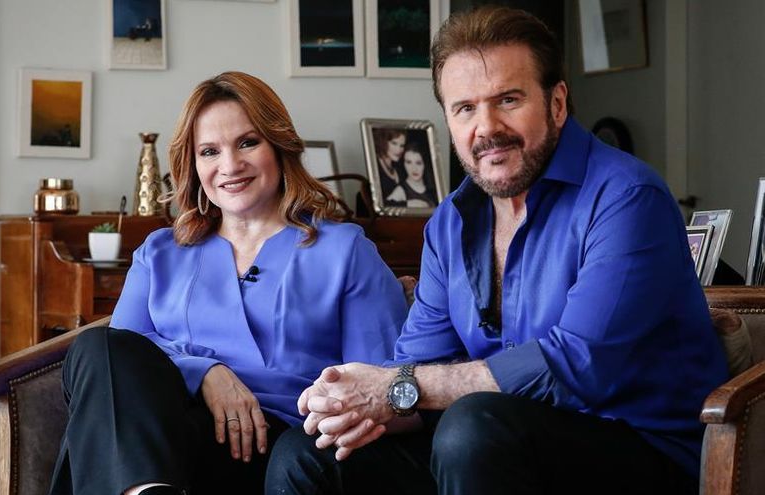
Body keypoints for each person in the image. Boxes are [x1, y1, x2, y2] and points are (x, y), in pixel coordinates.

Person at [266, 6, 728, 495]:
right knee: (306, 454)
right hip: (490, 447)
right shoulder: (450, 222)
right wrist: (349, 404)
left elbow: (579, 368)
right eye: (464, 108)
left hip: (640, 449)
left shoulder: (627, 198)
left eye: (508, 100)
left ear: (556, 103)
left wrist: (398, 387)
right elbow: (421, 367)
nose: (486, 128)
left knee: (474, 427)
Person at [48, 71, 407, 495]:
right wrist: (206, 373)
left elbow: (379, 385)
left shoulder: (344, 250)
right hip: (165, 440)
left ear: (279, 146)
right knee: (98, 346)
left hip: (274, 450)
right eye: (209, 151)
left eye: (248, 143)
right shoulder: (159, 252)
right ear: (193, 165)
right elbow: (120, 364)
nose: (230, 165)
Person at [385, 141, 438, 208]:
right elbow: (384, 207)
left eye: (418, 163)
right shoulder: (401, 190)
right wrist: (407, 204)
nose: (414, 169)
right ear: (403, 164)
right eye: (408, 162)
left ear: (425, 164)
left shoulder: (434, 189)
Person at [371, 128, 407, 206]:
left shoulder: (401, 167)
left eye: (402, 145)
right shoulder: (374, 166)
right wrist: (407, 204)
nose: (399, 150)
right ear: (382, 142)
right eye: (394, 143)